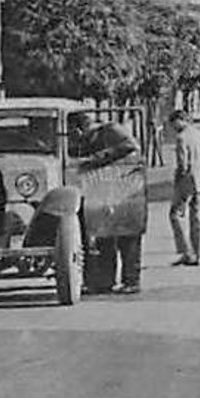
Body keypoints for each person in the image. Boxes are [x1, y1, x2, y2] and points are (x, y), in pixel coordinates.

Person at [71, 114, 146, 295]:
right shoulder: (89, 139)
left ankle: (131, 281)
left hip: (126, 189)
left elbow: (131, 146)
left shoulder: (111, 130)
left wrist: (98, 158)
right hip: (102, 192)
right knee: (103, 238)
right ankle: (105, 282)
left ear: (81, 127)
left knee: (128, 238)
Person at [168, 109, 200, 267]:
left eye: (173, 124)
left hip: (187, 180)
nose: (173, 127)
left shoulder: (181, 138)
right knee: (196, 215)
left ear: (180, 120)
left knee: (175, 214)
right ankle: (197, 253)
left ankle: (186, 251)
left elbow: (182, 165)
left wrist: (177, 182)